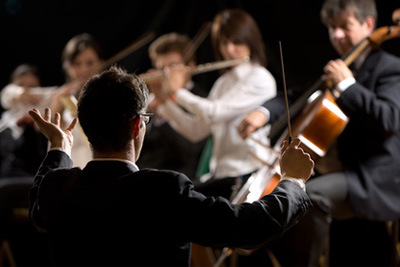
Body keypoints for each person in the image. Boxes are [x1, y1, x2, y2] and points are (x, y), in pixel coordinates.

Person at [28, 66, 314, 266]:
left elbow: (39, 196)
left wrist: (58, 147)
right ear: (138, 124)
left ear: (87, 128)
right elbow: (249, 227)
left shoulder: (57, 188)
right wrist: (292, 180)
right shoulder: (162, 189)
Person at [239, 0, 400, 265]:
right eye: (332, 28)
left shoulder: (389, 67)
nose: (337, 35)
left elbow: (389, 119)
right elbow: (296, 96)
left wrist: (347, 85)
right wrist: (264, 112)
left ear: (368, 25)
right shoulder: (339, 67)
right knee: (288, 193)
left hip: (372, 177)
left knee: (309, 196)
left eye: (345, 26)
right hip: (337, 171)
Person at [154, 9, 277, 200]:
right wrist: (163, 102)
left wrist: (177, 92)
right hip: (220, 174)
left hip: (247, 175)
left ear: (250, 40)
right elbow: (196, 131)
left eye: (236, 42)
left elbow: (213, 113)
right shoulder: (223, 83)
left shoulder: (260, 78)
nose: (229, 50)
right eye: (224, 43)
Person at [136, 32, 208, 180]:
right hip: (143, 177)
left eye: (173, 67)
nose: (166, 75)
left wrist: (164, 107)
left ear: (190, 66)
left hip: (179, 181)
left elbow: (188, 151)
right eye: (162, 69)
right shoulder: (150, 100)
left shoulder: (202, 101)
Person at [50, 33, 105, 168]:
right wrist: (56, 110)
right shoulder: (59, 97)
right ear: (67, 67)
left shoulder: (108, 98)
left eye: (90, 63)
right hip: (68, 175)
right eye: (77, 64)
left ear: (101, 63)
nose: (84, 70)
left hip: (101, 174)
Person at [0, 63, 54, 177]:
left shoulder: (47, 120)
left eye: (32, 88)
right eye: (20, 86)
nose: (27, 92)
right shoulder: (4, 120)